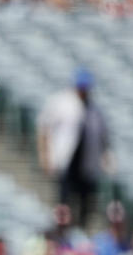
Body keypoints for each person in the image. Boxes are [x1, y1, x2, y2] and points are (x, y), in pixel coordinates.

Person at [36, 68, 112, 230]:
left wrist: (106, 158)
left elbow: (104, 137)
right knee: (64, 204)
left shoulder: (95, 110)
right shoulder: (62, 103)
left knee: (86, 205)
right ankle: (61, 234)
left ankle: (81, 234)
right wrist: (45, 157)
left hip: (88, 164)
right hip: (66, 162)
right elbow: (44, 128)